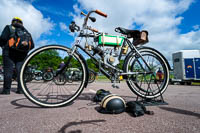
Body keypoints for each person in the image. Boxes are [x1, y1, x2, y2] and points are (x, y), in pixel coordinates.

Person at [0, 17, 34, 94]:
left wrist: (3, 46)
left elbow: (2, 38)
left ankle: (6, 90)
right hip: (22, 54)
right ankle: (21, 89)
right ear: (21, 23)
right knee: (20, 71)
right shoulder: (26, 32)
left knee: (8, 70)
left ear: (13, 21)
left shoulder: (9, 27)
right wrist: (24, 49)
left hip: (9, 51)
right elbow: (32, 45)